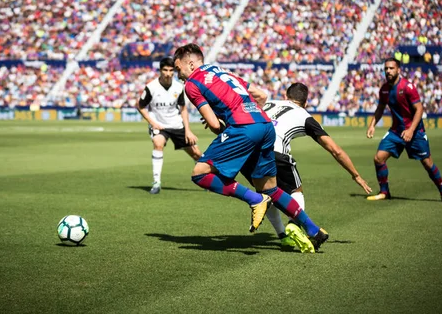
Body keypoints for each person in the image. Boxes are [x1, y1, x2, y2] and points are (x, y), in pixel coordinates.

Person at [174, 43, 328, 253]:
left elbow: (213, 124)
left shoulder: (192, 83)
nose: (178, 74)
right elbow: (262, 95)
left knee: (199, 173)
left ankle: (255, 200)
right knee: (271, 189)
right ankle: (313, 230)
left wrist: (228, 127)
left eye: (178, 68)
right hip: (265, 126)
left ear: (190, 63)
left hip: (243, 128)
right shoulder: (222, 71)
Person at [260, 83, 372, 251]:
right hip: (276, 151)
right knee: (296, 190)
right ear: (306, 103)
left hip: (250, 150)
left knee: (267, 192)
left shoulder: (269, 103)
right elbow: (336, 150)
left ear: (285, 96)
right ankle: (294, 224)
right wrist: (355, 175)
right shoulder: (304, 115)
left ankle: (282, 236)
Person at [366, 58, 442, 203]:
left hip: (415, 131)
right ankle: (384, 192)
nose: (388, 71)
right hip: (396, 131)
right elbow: (380, 108)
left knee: (427, 163)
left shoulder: (408, 87)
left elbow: (419, 109)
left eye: (391, 68)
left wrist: (411, 130)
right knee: (379, 158)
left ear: (398, 70)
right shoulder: (384, 89)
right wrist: (372, 125)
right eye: (386, 68)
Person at [136, 57, 202, 194]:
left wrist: (188, 130)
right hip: (159, 126)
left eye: (171, 70)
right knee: (158, 143)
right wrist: (152, 123)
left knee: (196, 154)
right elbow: (140, 106)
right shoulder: (151, 87)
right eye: (165, 70)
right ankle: (156, 182)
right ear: (160, 71)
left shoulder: (179, 87)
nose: (168, 73)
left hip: (176, 124)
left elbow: (183, 109)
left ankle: (207, 179)